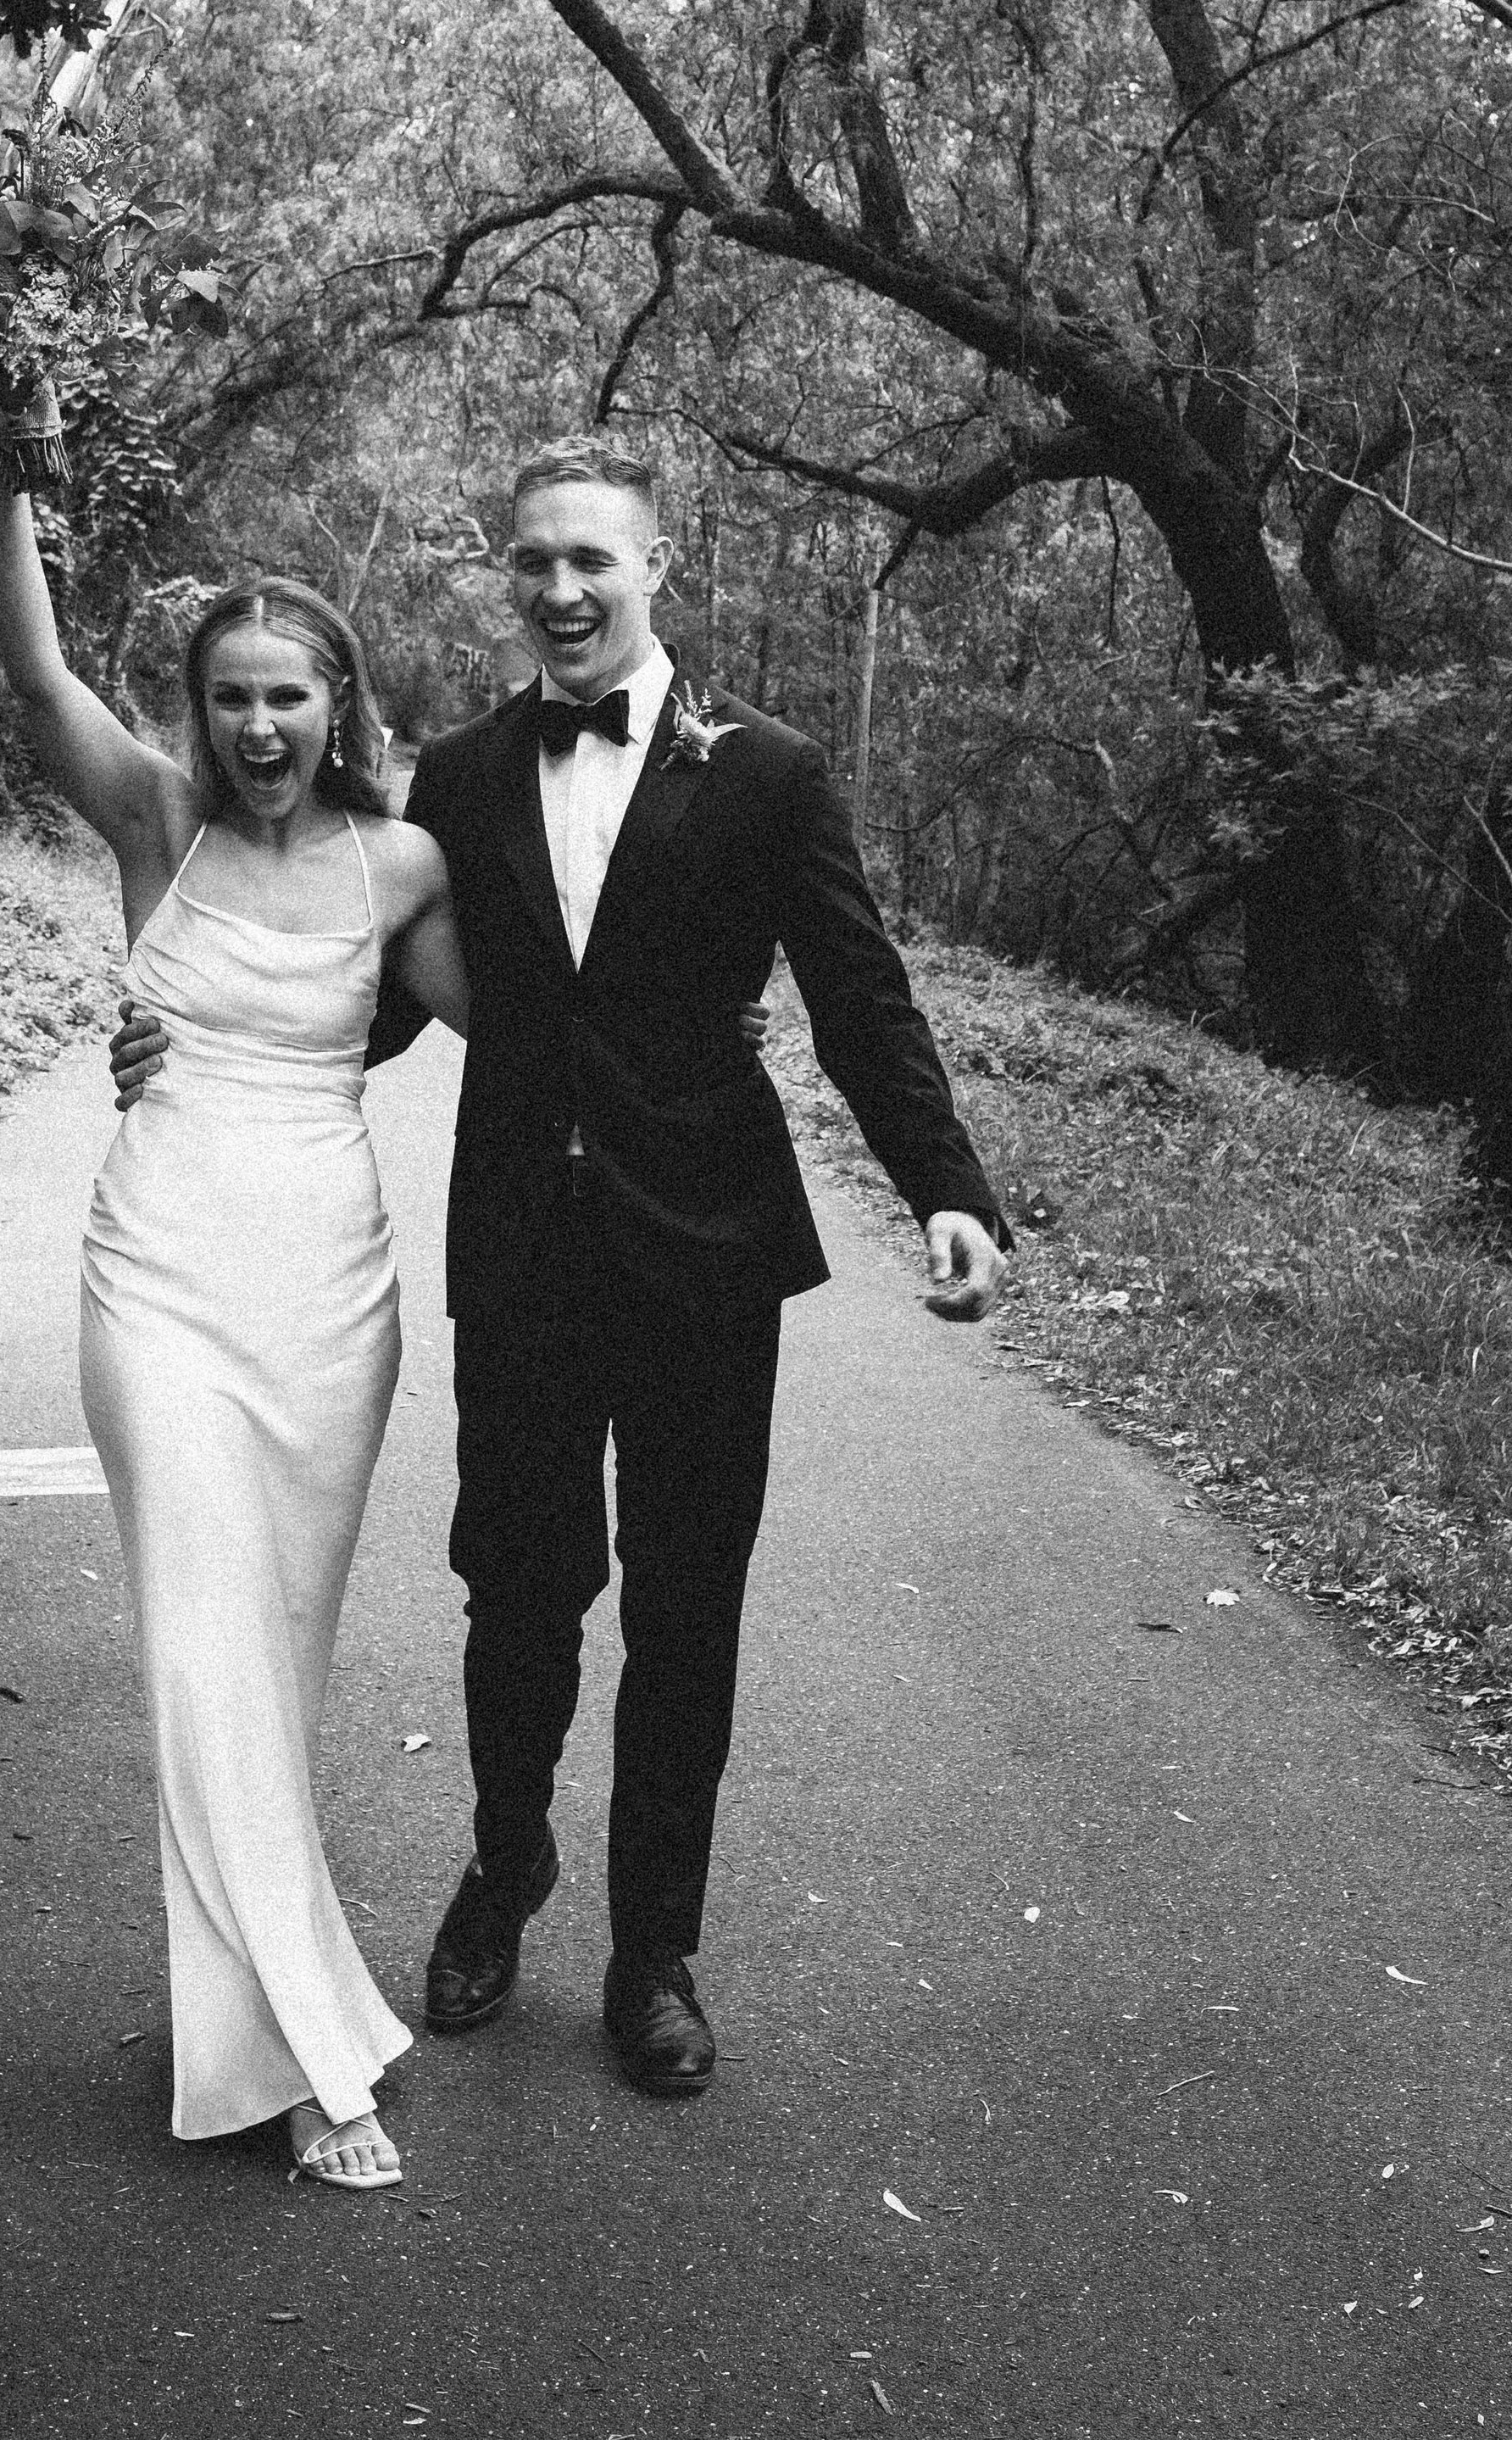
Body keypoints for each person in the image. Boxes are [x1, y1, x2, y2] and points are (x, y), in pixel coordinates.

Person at [115, 434, 1009, 2101]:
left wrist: (945, 1188)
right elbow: (365, 983)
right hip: (520, 1248)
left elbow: (858, 998)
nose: (560, 588)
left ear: (655, 565)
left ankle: (651, 1946)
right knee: (516, 1590)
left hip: (707, 1257)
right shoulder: (448, 773)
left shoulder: (768, 772)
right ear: (505, 575)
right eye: (532, 560)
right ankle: (502, 1858)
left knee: (684, 1607)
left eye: (591, 558)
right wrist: (184, 1027)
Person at [0, 478, 468, 2192]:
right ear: (198, 704)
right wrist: (2, 455)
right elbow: (38, 677)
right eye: (233, 690)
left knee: (267, 1658)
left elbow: (533, 1008)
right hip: (162, 1274)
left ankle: (264, 2003)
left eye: (291, 691)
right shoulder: (154, 819)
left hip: (328, 1295)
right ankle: (309, 2053)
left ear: (340, 703)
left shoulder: (400, 858)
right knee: (201, 1644)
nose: (259, 721)